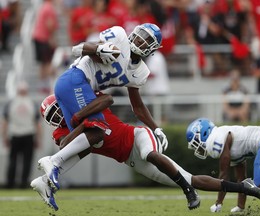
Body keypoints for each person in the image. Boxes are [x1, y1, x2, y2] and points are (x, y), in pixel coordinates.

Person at [31, 94, 260, 211]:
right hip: (128, 159)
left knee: (151, 155)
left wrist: (80, 116)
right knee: (192, 179)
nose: (57, 118)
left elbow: (107, 99)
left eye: (57, 111)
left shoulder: (83, 103)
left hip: (138, 136)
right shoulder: (63, 132)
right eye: (52, 117)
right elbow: (66, 148)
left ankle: (188, 192)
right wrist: (78, 125)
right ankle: (245, 187)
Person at [37, 23, 170, 199]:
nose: (140, 40)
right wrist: (98, 49)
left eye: (146, 40)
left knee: (90, 141)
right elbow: (79, 49)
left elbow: (137, 107)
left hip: (85, 90)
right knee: (98, 129)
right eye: (140, 35)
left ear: (152, 49)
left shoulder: (140, 71)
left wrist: (156, 128)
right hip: (77, 79)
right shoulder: (119, 36)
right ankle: (53, 161)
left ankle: (45, 180)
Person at [186, 118, 260, 213]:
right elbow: (242, 181)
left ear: (203, 134)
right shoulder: (228, 140)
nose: (197, 148)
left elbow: (224, 174)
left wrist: (218, 202)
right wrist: (240, 206)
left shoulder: (214, 139)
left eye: (195, 143)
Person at [2, 81, 42, 188]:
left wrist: (4, 136)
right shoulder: (31, 103)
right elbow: (37, 123)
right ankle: (23, 183)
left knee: (13, 160)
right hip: (28, 135)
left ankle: (10, 183)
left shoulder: (11, 103)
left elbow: (5, 122)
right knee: (27, 161)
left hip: (15, 135)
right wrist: (38, 138)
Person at [32, 0, 59, 94]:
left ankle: (42, 84)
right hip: (44, 38)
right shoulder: (49, 8)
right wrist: (52, 38)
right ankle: (47, 84)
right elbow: (49, 24)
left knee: (43, 63)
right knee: (48, 62)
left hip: (38, 36)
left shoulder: (44, 6)